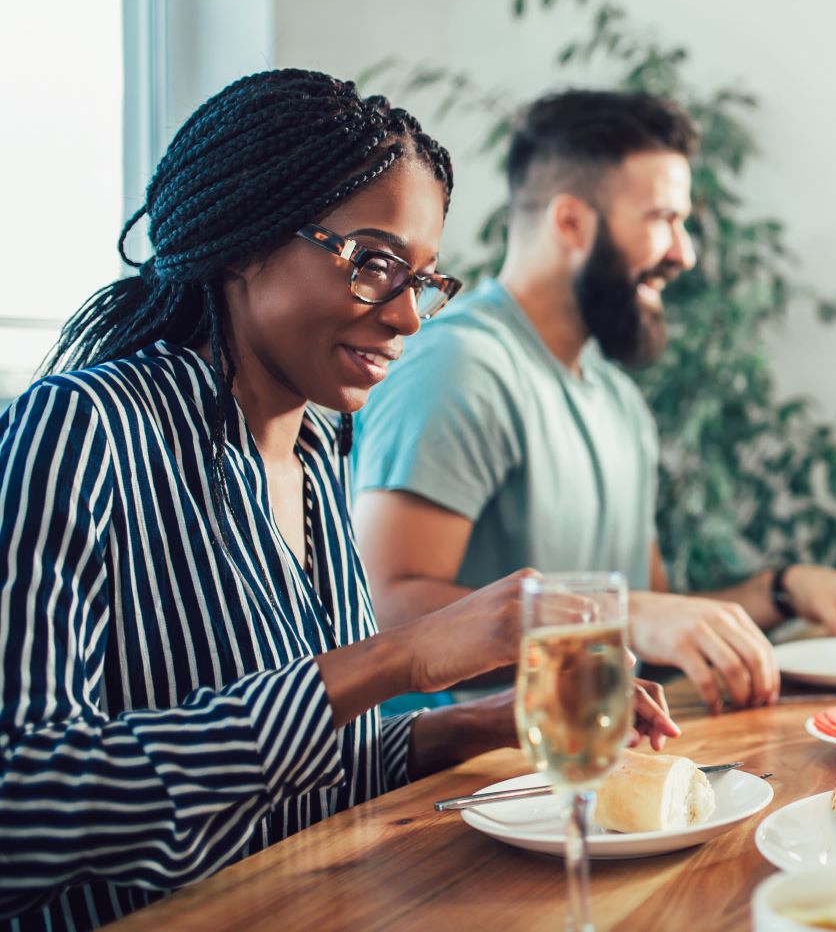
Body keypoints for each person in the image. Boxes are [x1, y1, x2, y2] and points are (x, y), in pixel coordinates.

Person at [0, 70, 678, 932]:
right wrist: (401, 659)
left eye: (423, 280)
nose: (408, 320)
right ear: (244, 242)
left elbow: (301, 776)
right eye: (373, 265)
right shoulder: (82, 429)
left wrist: (483, 724)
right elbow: (22, 811)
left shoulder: (317, 455)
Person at [353, 89, 836, 714]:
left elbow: (653, 614)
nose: (685, 253)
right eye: (662, 219)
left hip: (602, 761)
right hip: (460, 788)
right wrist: (619, 614)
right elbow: (384, 606)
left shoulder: (617, 398)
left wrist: (785, 590)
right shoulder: (461, 366)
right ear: (570, 222)